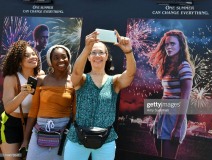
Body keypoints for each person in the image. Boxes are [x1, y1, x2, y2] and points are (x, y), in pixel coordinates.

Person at [64, 30, 136, 160]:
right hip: (77, 138)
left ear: (107, 56)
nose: (97, 55)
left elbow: (130, 75)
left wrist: (128, 52)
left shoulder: (114, 81)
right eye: (93, 52)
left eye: (101, 52)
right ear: (89, 57)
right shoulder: (83, 79)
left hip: (106, 140)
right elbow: (75, 74)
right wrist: (86, 48)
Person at [20, 45, 75, 160]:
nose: (60, 60)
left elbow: (74, 114)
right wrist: (25, 140)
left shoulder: (74, 82)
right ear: (50, 62)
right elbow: (33, 110)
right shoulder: (41, 80)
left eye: (64, 57)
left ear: (69, 59)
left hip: (62, 133)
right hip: (39, 131)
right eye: (56, 58)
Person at [149, 30, 194, 160]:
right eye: (166, 44)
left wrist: (178, 127)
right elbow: (166, 96)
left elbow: (185, 99)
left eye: (173, 44)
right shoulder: (168, 66)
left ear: (181, 45)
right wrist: (157, 121)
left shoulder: (184, 67)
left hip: (174, 116)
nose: (169, 47)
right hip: (163, 113)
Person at [0, 40, 40, 160]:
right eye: (27, 56)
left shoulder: (42, 76)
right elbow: (8, 108)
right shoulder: (12, 78)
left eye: (33, 54)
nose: (32, 57)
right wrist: (23, 93)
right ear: (19, 61)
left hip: (33, 125)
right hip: (12, 125)